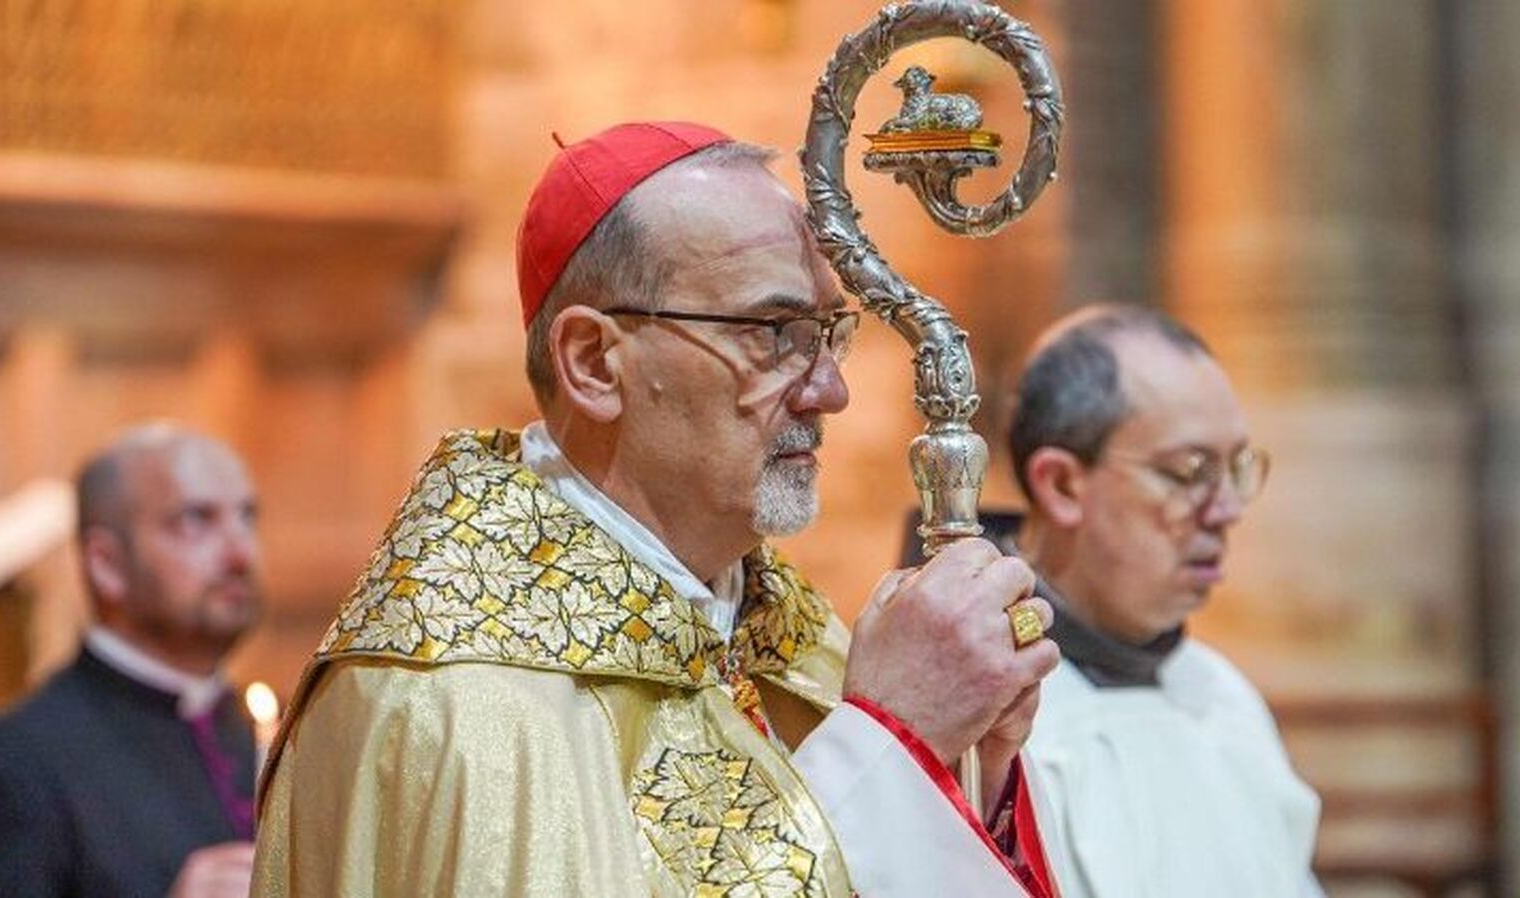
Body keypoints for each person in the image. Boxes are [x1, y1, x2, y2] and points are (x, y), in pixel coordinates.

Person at [250, 121, 1062, 898]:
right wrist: (890, 743)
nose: (830, 390)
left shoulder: (787, 639)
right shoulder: (448, 703)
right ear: (595, 363)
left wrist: (961, 770)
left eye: (827, 332)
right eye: (773, 332)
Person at [1005, 304, 1323, 898]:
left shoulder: (1221, 693)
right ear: (1063, 485)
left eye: (1236, 468)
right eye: (1188, 470)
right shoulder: (989, 718)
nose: (1227, 510)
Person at [0, 424, 264, 898]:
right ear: (107, 565)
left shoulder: (268, 734)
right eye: (196, 520)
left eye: (246, 517)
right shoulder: (13, 766)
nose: (240, 554)